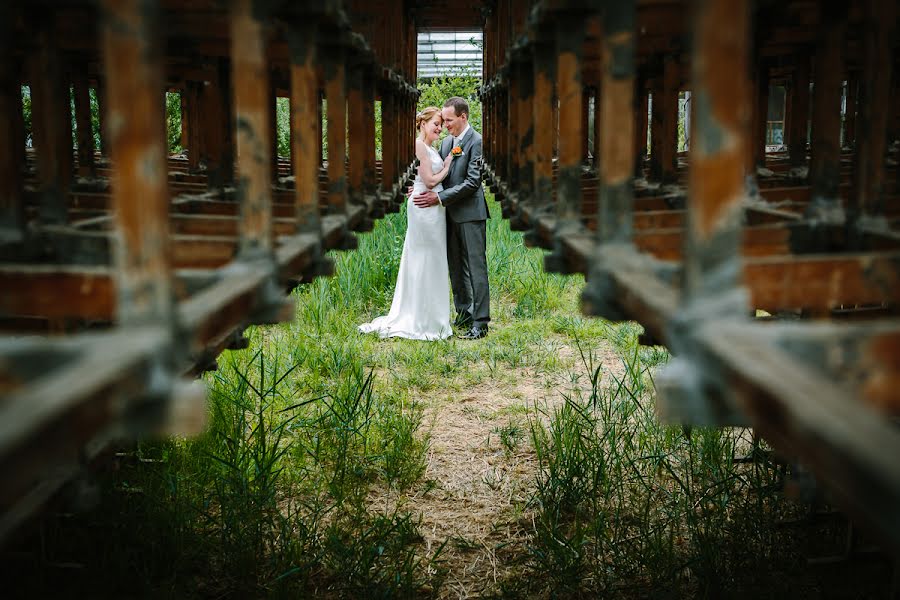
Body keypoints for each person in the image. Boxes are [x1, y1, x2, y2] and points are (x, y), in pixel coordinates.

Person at [358, 107, 455, 340]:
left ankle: (433, 316)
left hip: (433, 208)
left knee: (433, 259)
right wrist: (448, 166)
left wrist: (422, 182)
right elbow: (430, 182)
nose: (440, 128)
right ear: (423, 123)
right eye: (435, 123)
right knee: (424, 258)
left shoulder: (429, 148)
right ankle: (421, 319)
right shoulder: (419, 146)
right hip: (425, 209)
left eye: (441, 124)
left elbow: (421, 177)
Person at [412, 97, 490, 340]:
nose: (445, 125)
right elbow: (437, 176)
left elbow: (472, 182)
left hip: (471, 214)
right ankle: (463, 312)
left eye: (449, 120)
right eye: (443, 120)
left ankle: (480, 321)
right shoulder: (446, 143)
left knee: (476, 267)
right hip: (447, 215)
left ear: (463, 117)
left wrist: (440, 198)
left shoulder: (476, 141)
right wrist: (417, 189)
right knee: (456, 267)